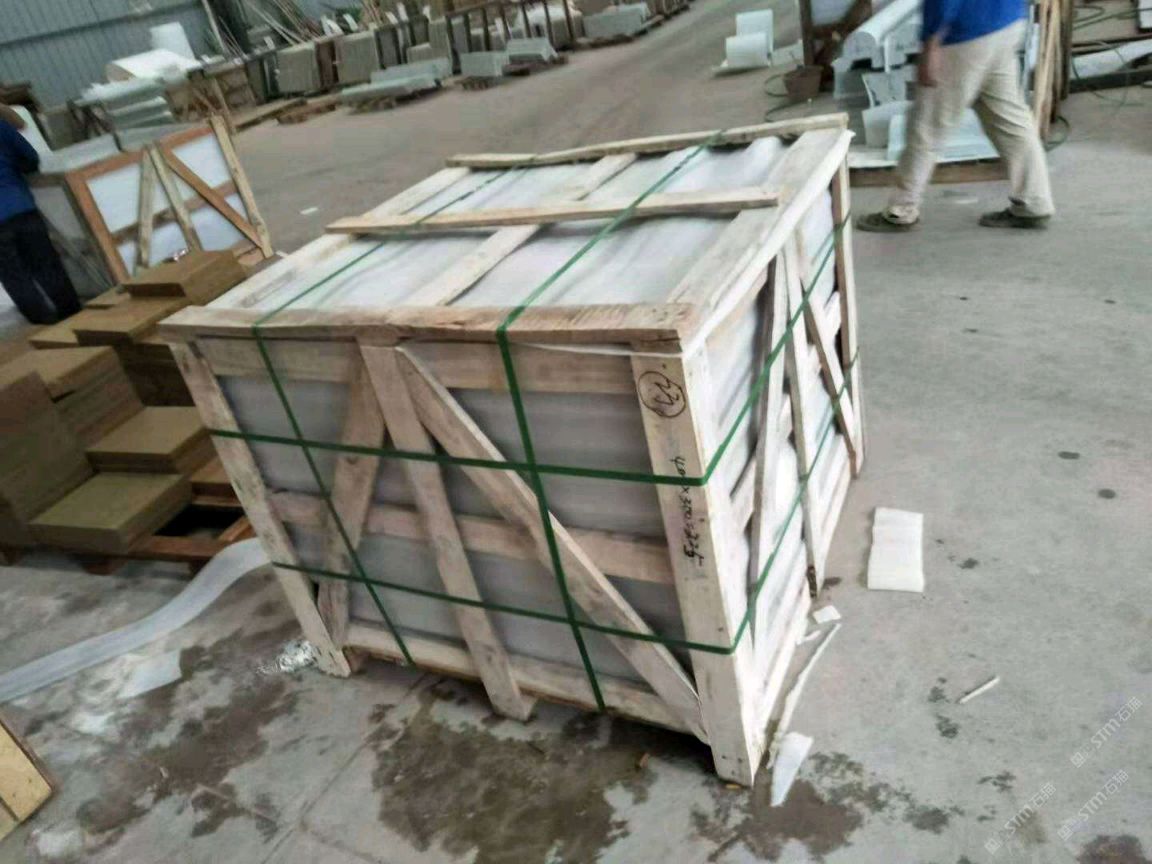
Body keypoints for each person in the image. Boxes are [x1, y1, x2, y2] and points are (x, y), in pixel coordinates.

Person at [856, 0, 1055, 233]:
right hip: (1007, 22)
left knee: (927, 126)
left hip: (964, 36)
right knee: (1010, 121)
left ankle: (901, 210)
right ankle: (1035, 203)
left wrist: (931, 42)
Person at [0, 103, 81, 324]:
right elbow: (31, 158)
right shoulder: (2, 126)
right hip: (20, 207)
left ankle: (44, 323)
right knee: (45, 263)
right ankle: (72, 314)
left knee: (13, 274)